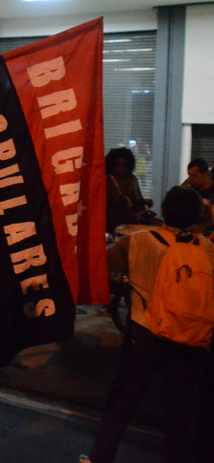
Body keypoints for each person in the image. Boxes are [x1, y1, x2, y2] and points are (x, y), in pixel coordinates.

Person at [83, 186, 214, 463]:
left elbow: (102, 266)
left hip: (145, 333)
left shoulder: (139, 241)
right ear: (198, 215)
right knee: (181, 409)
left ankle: (100, 457)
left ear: (164, 211)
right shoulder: (208, 250)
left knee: (123, 399)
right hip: (192, 337)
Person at [105, 147, 153, 233]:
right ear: (111, 166)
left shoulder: (132, 179)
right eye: (118, 165)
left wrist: (146, 202)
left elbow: (139, 200)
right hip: (114, 225)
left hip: (132, 223)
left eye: (124, 165)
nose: (121, 169)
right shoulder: (107, 181)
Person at [182, 158, 214, 235]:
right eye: (189, 176)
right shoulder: (190, 191)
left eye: (194, 176)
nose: (191, 179)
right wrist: (184, 185)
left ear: (205, 174)